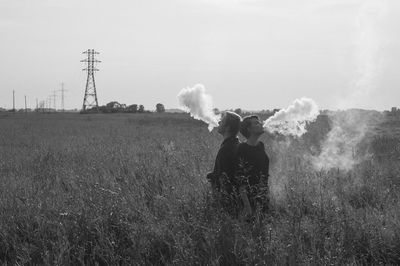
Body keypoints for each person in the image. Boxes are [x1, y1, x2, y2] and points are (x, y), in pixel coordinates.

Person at [207, 111, 242, 214]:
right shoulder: (236, 144)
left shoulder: (226, 148)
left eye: (221, 121)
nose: (218, 122)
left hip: (228, 204)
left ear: (227, 128)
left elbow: (223, 178)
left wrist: (211, 176)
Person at [236, 115, 270, 217]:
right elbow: (240, 181)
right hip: (249, 201)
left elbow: (264, 175)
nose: (260, 124)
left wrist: (265, 197)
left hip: (262, 198)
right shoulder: (241, 149)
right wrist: (248, 208)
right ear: (249, 129)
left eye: (259, 122)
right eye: (256, 123)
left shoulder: (261, 146)